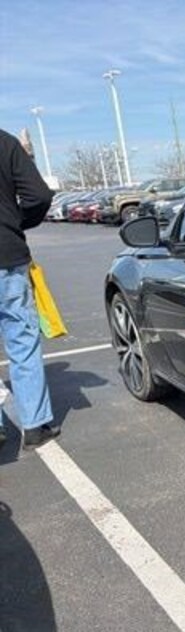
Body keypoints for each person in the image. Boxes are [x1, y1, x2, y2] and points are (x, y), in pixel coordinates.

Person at [0, 127, 59, 450]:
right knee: (22, 342)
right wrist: (15, 221)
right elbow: (39, 195)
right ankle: (35, 426)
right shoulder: (6, 143)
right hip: (6, 256)